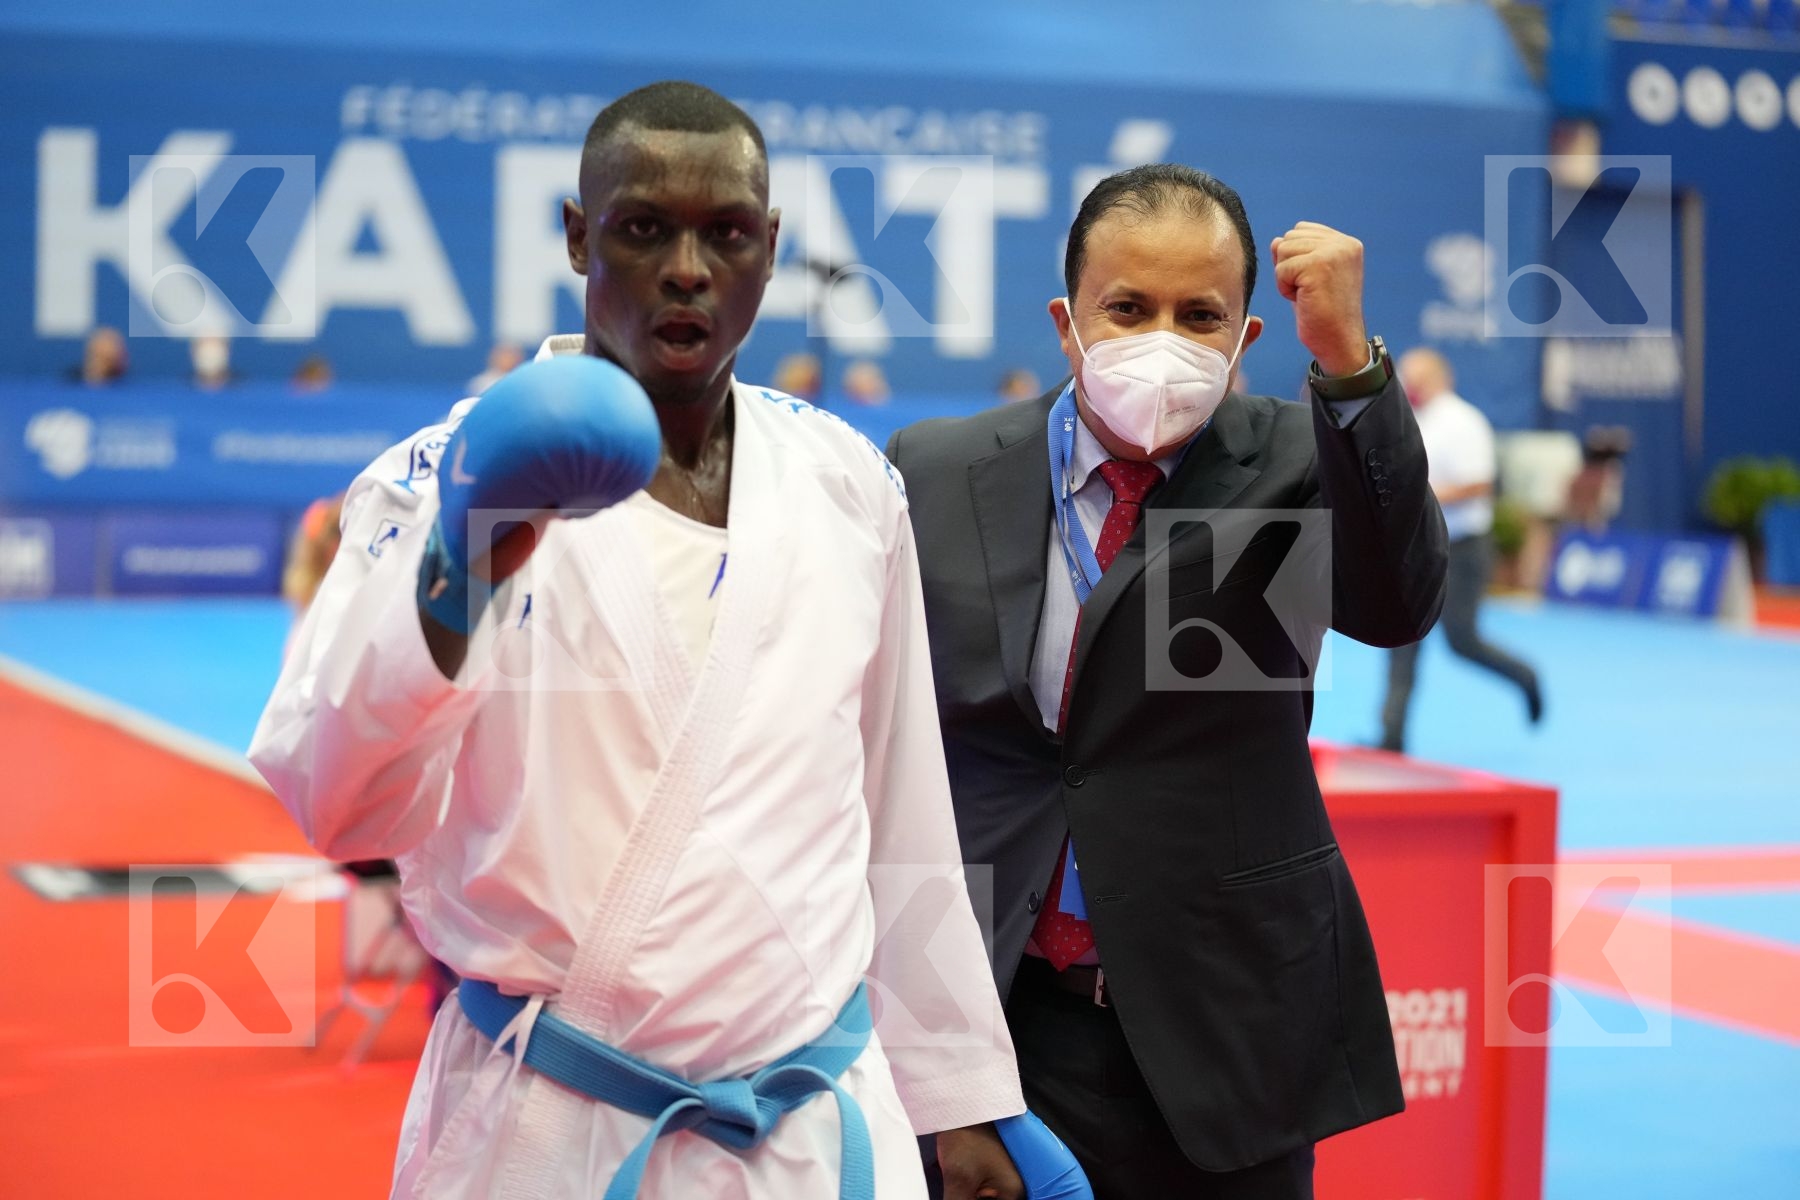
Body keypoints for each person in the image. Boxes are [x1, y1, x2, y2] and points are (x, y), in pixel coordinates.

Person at [251, 82, 1060, 1200]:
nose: (689, 268)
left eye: (726, 233)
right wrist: (457, 574)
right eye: (643, 229)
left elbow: (903, 813)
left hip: (811, 1132)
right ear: (580, 235)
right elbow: (330, 800)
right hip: (553, 1131)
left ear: (769, 250)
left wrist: (962, 1093)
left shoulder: (847, 487)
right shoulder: (439, 480)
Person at [888, 164, 1448, 1198]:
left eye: (1201, 316)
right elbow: (885, 754)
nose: (1162, 340)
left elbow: (1396, 604)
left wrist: (1353, 371)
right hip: (995, 1018)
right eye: (1128, 308)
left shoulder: (1293, 465)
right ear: (1068, 321)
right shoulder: (932, 469)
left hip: (1225, 1024)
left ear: (1247, 338)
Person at [1378, 348, 1542, 753]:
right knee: (1402, 639)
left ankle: (1525, 677)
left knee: (1462, 641)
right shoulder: (1416, 419)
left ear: (1438, 377)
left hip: (1463, 549)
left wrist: (1421, 496)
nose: (1408, 385)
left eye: (1415, 378)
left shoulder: (1464, 421)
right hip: (1419, 547)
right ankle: (1391, 737)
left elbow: (1479, 483)